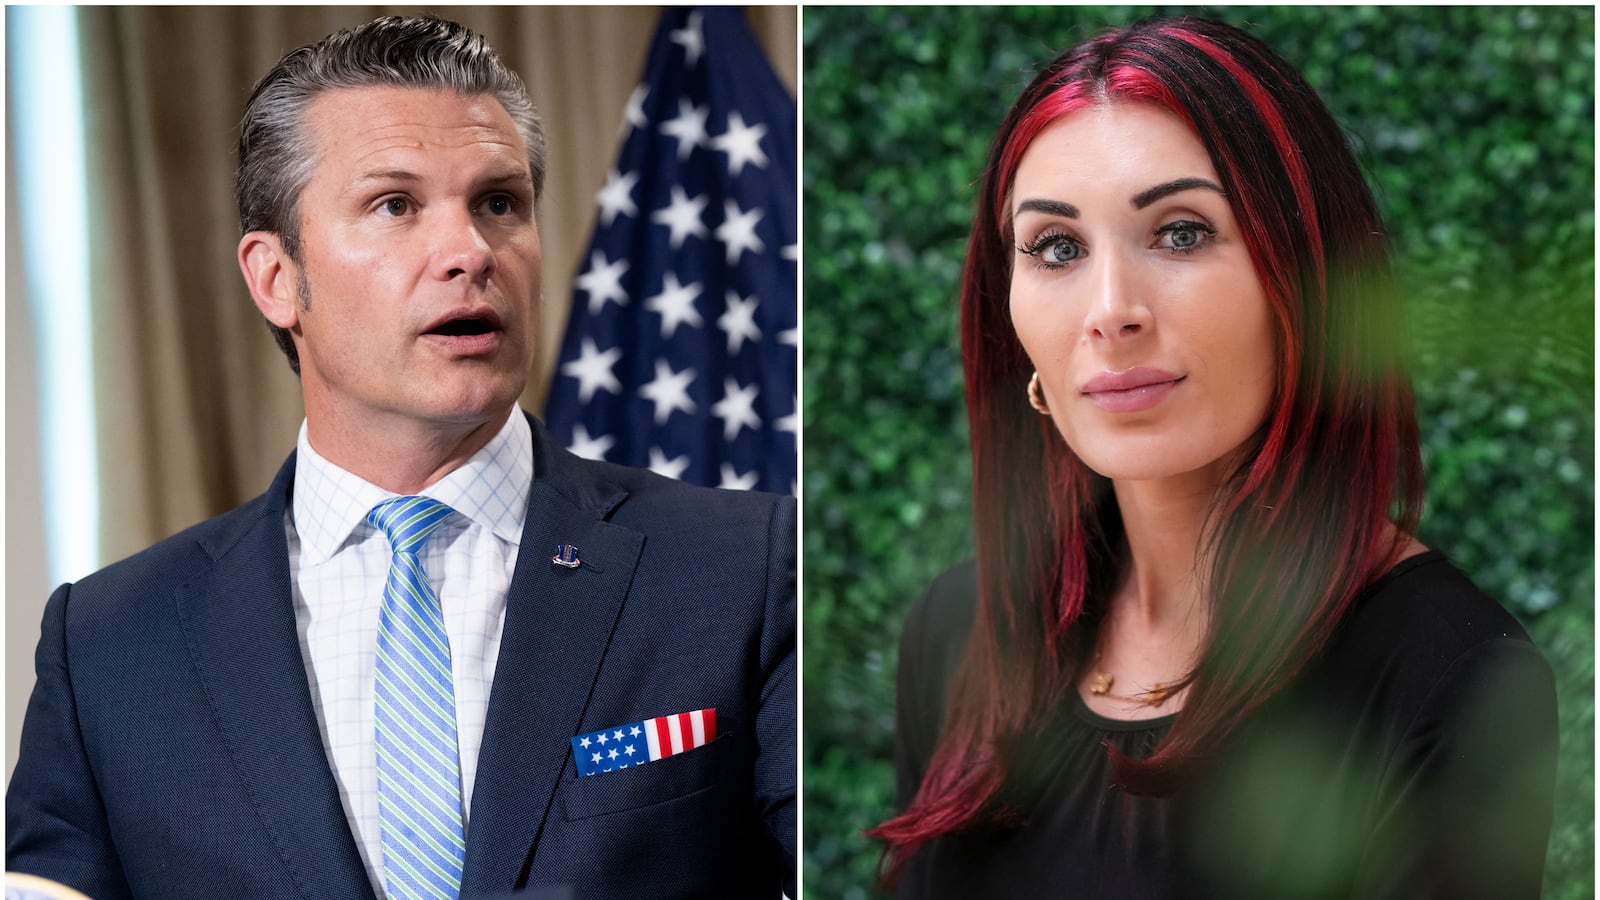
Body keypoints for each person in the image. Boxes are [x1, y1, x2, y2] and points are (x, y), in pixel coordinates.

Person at [7, 16, 795, 900]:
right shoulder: (109, 644)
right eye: (394, 206)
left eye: (500, 203)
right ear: (276, 279)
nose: (469, 254)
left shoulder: (746, 569)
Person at [870, 17, 1556, 899]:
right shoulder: (958, 630)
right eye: (1057, 247)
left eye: (1181, 232)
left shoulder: (1454, 674)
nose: (1111, 310)